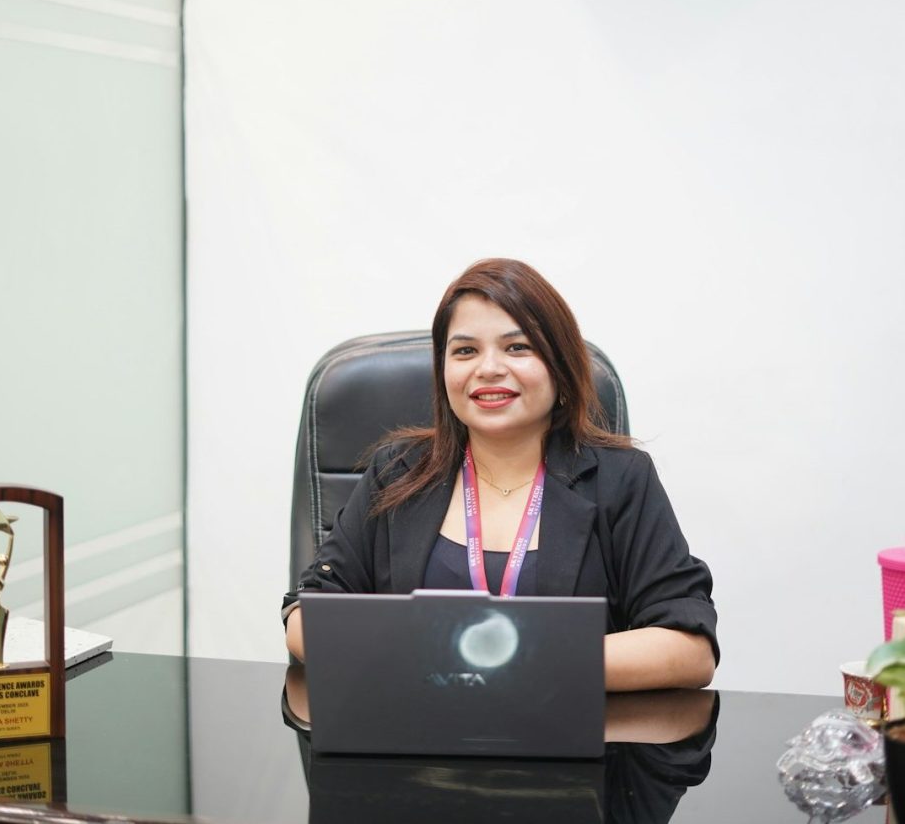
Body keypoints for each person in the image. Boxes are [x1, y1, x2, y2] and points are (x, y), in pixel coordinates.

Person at [283, 258, 717, 690]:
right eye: (465, 351)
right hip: (418, 728)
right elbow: (306, 617)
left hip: (569, 727)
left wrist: (520, 659)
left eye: (517, 347)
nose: (488, 368)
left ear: (561, 366)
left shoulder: (620, 479)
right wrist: (426, 657)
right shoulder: (397, 471)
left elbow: (689, 649)